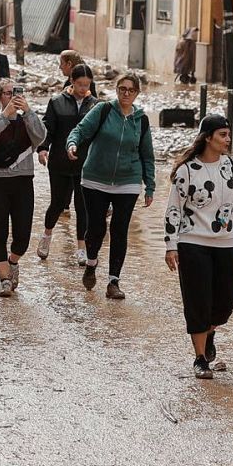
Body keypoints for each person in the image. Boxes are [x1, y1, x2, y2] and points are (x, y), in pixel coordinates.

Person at [163, 114, 233, 380]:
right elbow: (174, 209)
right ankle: (200, 357)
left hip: (227, 243)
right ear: (207, 138)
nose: (227, 140)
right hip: (193, 243)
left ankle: (209, 330)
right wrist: (171, 245)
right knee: (197, 300)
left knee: (229, 297)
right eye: (222, 135)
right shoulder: (187, 170)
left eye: (228, 134)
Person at [65, 72, 154, 299]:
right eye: (122, 89)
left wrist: (150, 186)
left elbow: (147, 155)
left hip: (128, 181)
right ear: (116, 90)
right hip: (95, 178)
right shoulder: (103, 110)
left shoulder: (141, 120)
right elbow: (80, 130)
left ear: (137, 93)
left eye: (131, 90)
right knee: (96, 228)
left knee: (119, 230)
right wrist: (72, 144)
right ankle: (91, 263)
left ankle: (113, 281)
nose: (126, 93)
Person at [0, 80, 47, 296]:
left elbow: (41, 136)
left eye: (16, 93)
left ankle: (13, 261)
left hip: (22, 182)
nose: (12, 97)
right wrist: (4, 116)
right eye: (8, 93)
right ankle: (4, 281)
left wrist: (28, 111)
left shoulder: (27, 121)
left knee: (22, 237)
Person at [37, 63, 98, 261]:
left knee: (83, 206)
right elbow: (48, 128)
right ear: (71, 81)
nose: (83, 88)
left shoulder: (95, 105)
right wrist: (43, 148)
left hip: (85, 164)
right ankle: (47, 235)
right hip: (60, 162)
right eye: (80, 84)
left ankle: (81, 247)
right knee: (57, 203)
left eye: (87, 85)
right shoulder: (57, 102)